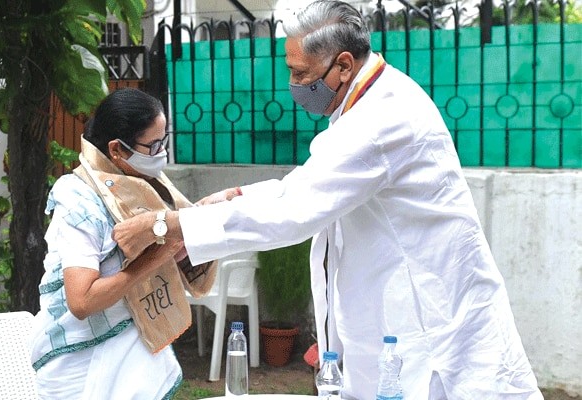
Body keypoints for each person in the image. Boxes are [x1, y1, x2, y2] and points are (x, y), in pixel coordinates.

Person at [112, 1, 543, 399]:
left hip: (432, 328)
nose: (294, 86)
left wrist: (168, 225)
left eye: (302, 75)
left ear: (342, 64)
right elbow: (315, 183)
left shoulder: (379, 120)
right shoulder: (366, 103)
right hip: (399, 319)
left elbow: (295, 211)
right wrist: (235, 195)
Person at [30, 88, 215, 399]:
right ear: (117, 149)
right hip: (79, 362)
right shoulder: (78, 198)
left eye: (163, 142)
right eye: (153, 145)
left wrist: (201, 218)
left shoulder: (141, 182)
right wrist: (158, 256)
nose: (161, 153)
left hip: (131, 343)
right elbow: (82, 302)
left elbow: (169, 236)